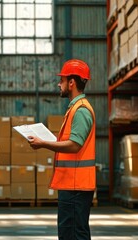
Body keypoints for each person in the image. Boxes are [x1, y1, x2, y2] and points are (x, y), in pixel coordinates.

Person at [28, 59, 96, 240]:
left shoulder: (81, 110)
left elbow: (74, 145)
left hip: (76, 186)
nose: (59, 84)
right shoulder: (75, 108)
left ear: (72, 82)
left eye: (62, 80)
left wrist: (43, 143)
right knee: (72, 233)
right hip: (73, 185)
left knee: (72, 234)